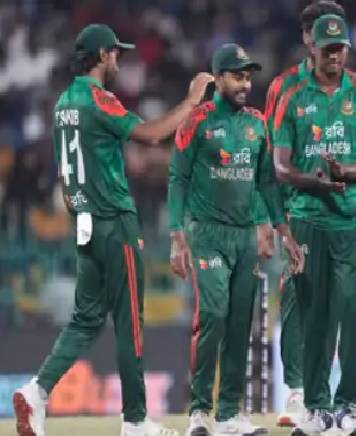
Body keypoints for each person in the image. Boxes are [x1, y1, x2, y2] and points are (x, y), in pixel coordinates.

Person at [12, 23, 213, 436]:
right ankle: (135, 420)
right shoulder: (97, 99)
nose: (119, 58)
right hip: (114, 222)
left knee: (86, 318)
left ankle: (37, 391)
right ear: (102, 55)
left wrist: (81, 213)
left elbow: (65, 175)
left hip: (85, 222)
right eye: (115, 52)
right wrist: (192, 102)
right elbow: (151, 135)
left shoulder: (63, 103)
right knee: (129, 322)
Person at [167, 43, 303, 436]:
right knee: (214, 314)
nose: (245, 84)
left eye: (248, 77)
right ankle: (198, 411)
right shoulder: (197, 121)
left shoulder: (257, 124)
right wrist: (177, 236)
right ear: (218, 78)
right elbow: (178, 178)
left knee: (241, 323)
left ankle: (228, 414)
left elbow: (265, 182)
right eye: (236, 76)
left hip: (245, 238)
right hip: (207, 234)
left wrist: (279, 229)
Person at [272, 14, 356, 436]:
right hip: (308, 219)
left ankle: (348, 406)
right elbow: (280, 167)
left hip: (352, 219)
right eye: (328, 49)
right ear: (312, 48)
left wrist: (345, 173)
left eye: (341, 49)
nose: (335, 56)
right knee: (315, 316)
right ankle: (317, 408)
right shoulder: (292, 96)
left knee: (353, 313)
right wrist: (313, 182)